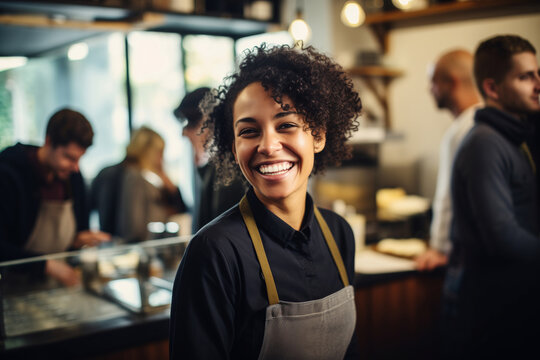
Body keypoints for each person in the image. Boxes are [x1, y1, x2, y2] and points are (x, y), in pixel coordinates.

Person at [169, 44, 362, 359]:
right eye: (249, 131)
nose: (269, 146)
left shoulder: (340, 233)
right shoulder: (214, 253)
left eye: (286, 124)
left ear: (318, 135)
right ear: (233, 147)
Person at [443, 35, 540, 358]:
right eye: (525, 77)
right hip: (491, 307)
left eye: (537, 74)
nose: (538, 85)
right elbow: (502, 236)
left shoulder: (515, 137)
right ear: (493, 89)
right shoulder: (486, 143)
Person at [0, 108, 110, 285]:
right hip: (15, 286)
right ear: (48, 141)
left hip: (59, 285)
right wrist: (45, 265)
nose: (75, 167)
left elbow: (74, 235)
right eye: (68, 157)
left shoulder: (73, 177)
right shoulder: (8, 174)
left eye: (79, 159)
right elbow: (2, 247)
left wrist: (77, 240)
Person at [415, 50, 482, 271]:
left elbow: (448, 198)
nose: (429, 90)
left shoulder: (461, 132)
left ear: (452, 82)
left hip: (461, 259)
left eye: (433, 82)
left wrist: (438, 248)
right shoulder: (487, 123)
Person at [92, 126, 187, 243]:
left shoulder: (107, 172)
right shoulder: (135, 177)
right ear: (148, 151)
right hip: (128, 247)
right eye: (159, 153)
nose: (161, 159)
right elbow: (133, 229)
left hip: (108, 243)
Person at [174, 87, 246, 232]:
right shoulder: (214, 168)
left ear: (210, 122)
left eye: (190, 123)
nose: (184, 133)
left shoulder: (228, 171)